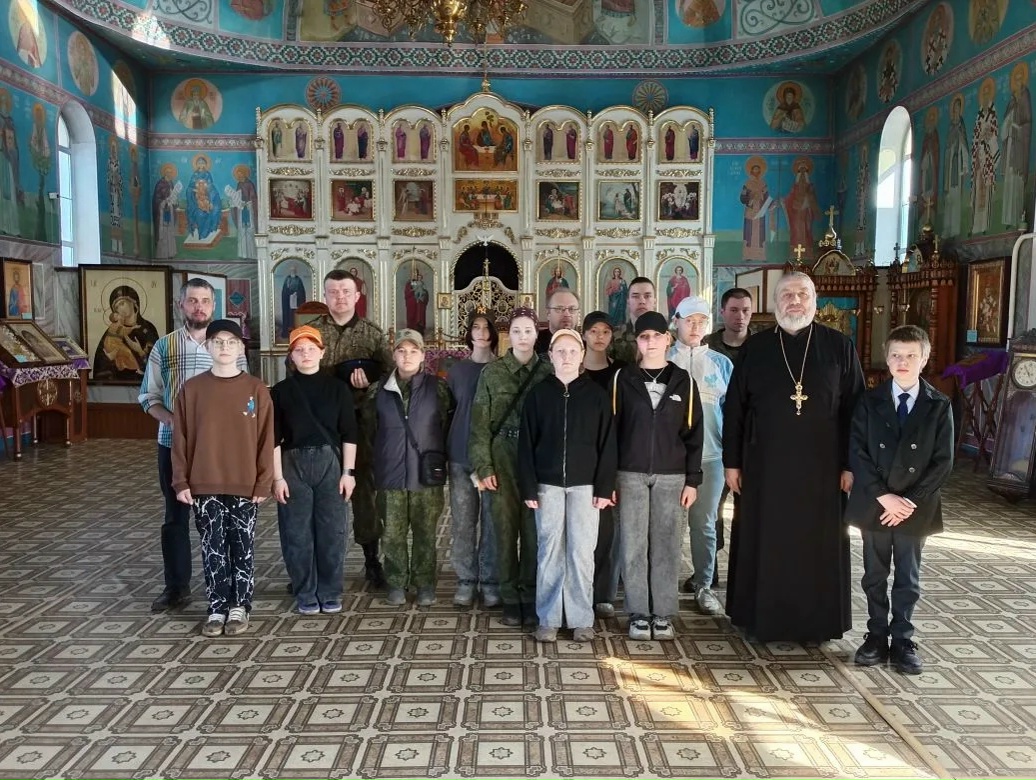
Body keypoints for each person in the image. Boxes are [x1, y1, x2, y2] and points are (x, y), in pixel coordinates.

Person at [723, 272, 865, 642]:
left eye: (803, 293)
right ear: (775, 302)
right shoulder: (755, 348)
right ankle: (760, 619)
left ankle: (816, 624)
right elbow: (735, 408)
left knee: (816, 544)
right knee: (765, 541)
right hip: (763, 467)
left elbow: (856, 410)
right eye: (787, 294)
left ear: (814, 300)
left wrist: (850, 464)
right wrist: (731, 462)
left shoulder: (839, 346)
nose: (795, 300)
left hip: (824, 469)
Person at [846, 325, 953, 675]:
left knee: (908, 576)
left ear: (924, 359)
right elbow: (857, 451)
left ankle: (903, 638)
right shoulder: (869, 400)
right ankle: (876, 634)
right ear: (887, 358)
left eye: (910, 356)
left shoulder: (938, 405)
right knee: (874, 574)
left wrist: (908, 502)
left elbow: (943, 461)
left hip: (915, 507)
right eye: (896, 355)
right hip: (875, 502)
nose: (902, 362)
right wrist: (884, 496)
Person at [140, 280, 246, 613]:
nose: (199, 307)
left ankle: (227, 586)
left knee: (222, 517)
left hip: (218, 449)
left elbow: (243, 395)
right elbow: (149, 396)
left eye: (204, 301)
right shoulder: (165, 346)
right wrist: (172, 421)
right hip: (174, 445)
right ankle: (176, 587)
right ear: (180, 305)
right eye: (192, 301)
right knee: (176, 515)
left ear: (214, 305)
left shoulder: (228, 344)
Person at [172, 319, 273, 638]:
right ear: (207, 346)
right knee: (212, 546)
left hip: (245, 482)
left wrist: (264, 480)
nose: (224, 347)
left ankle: (240, 605)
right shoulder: (192, 390)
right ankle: (217, 606)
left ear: (241, 348)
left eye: (231, 342)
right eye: (218, 342)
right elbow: (180, 438)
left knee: (242, 545)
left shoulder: (256, 389)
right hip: (205, 482)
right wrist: (181, 480)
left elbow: (266, 438)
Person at [519, 328, 617, 643]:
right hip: (547, 485)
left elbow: (608, 445)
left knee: (581, 552)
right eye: (560, 351)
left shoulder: (596, 396)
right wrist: (528, 486)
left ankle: (580, 618)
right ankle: (548, 618)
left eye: (573, 351)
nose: (566, 357)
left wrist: (604, 487)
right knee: (549, 550)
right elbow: (525, 445)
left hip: (585, 487)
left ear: (582, 355)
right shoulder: (538, 395)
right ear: (550, 355)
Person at [613, 311, 704, 641]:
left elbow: (693, 433)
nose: (650, 342)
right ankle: (638, 611)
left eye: (656, 335)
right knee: (633, 544)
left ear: (668, 338)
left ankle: (663, 612)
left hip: (671, 475)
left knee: (666, 544)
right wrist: (609, 479)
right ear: (637, 342)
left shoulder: (683, 381)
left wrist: (692, 480)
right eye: (643, 336)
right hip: (630, 473)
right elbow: (612, 431)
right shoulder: (623, 379)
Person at [469, 309, 553, 627]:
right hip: (501, 454)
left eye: (528, 330)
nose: (522, 337)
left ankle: (529, 595)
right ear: (508, 335)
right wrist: (484, 465)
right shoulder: (492, 373)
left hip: (536, 456)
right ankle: (509, 596)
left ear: (536, 334)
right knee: (503, 530)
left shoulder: (548, 371)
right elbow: (479, 425)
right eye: (516, 331)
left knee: (533, 530)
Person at [310, 269, 393, 589]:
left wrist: (369, 382)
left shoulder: (372, 334)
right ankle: (318, 565)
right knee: (322, 493)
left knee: (365, 494)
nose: (340, 297)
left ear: (358, 296)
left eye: (346, 291)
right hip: (323, 423)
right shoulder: (312, 332)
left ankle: (372, 561)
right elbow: (296, 369)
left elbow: (391, 376)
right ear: (325, 295)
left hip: (363, 426)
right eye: (333, 292)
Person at [362, 328, 454, 607]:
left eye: (414, 351)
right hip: (390, 473)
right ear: (393, 355)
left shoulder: (438, 388)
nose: (407, 356)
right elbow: (369, 430)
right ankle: (396, 581)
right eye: (401, 350)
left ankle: (424, 583)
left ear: (423, 355)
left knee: (425, 531)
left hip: (426, 473)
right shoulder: (377, 390)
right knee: (392, 532)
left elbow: (446, 426)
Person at [271, 325, 357, 616]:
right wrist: (277, 477)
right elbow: (273, 438)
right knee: (296, 532)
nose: (305, 354)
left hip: (331, 462)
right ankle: (305, 590)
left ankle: (330, 590)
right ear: (291, 356)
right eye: (299, 350)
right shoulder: (281, 392)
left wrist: (348, 473)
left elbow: (350, 433)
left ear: (322, 352)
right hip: (292, 464)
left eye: (311, 348)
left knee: (332, 530)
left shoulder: (338, 389)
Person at [668, 297, 733, 616]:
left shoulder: (722, 364)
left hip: (711, 456)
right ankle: (661, 586)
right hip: (669, 459)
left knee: (704, 523)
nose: (695, 327)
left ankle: (704, 585)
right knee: (666, 525)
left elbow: (733, 414)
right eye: (689, 320)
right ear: (676, 322)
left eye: (701, 321)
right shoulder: (664, 357)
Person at [447, 312, 501, 607]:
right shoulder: (457, 371)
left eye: (485, 327)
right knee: (463, 521)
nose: (481, 332)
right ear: (469, 333)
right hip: (460, 453)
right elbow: (449, 410)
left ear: (493, 332)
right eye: (475, 327)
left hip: (492, 458)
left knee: (492, 522)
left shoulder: (501, 368)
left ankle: (490, 580)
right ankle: (466, 579)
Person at [581, 311, 625, 616]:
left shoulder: (621, 372)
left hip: (612, 457)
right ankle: (577, 590)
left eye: (605, 332)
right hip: (579, 459)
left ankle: (603, 593)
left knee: (607, 530)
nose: (599, 337)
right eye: (594, 331)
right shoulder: (570, 367)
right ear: (583, 334)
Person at [95, 286, 160, 381]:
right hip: (116, 383)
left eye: (122, 303)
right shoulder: (112, 332)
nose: (119, 309)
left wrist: (140, 351)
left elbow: (157, 362)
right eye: (116, 307)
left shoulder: (148, 328)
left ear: (133, 302)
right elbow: (101, 369)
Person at [610, 276, 657, 364]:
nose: (642, 301)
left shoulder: (667, 338)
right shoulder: (613, 336)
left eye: (647, 296)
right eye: (636, 296)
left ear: (655, 301)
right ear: (628, 301)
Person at [705, 288, 753, 364]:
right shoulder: (706, 345)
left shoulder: (762, 343)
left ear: (751, 313)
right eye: (734, 310)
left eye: (745, 310)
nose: (740, 316)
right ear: (722, 312)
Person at [535, 288, 580, 355]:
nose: (567, 314)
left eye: (572, 309)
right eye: (559, 309)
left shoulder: (585, 345)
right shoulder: (533, 343)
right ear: (548, 313)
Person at [280, 265, 307, 339]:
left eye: (294, 270)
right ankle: (287, 332)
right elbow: (284, 291)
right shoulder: (287, 280)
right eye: (292, 270)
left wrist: (297, 293)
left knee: (295, 316)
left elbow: (302, 291)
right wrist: (289, 293)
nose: (293, 271)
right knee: (289, 315)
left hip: (297, 301)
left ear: (296, 271)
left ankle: (297, 332)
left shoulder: (298, 280)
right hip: (288, 301)